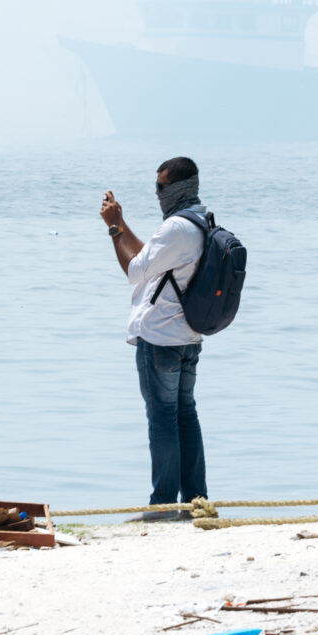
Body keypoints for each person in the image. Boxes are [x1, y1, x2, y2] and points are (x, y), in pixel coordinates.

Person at [100, 157, 209, 518]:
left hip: (160, 338)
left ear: (175, 188)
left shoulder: (176, 228)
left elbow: (134, 270)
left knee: (162, 418)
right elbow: (150, 259)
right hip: (189, 337)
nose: (158, 194)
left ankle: (161, 505)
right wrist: (122, 222)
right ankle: (195, 500)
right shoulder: (200, 221)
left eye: (160, 187)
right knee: (185, 416)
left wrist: (114, 229)